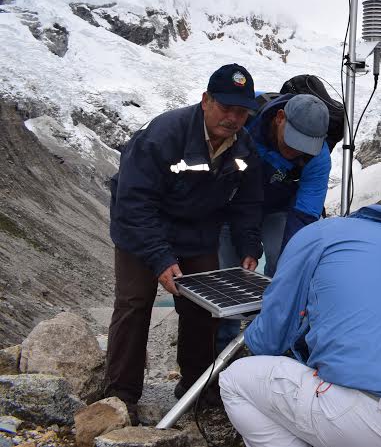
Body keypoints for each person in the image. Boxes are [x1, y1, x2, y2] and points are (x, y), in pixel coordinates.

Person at [219, 205, 381, 447]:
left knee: (234, 380)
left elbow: (268, 339)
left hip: (370, 419)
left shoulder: (320, 234)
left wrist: (255, 335)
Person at [103, 64, 263, 417]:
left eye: (241, 112)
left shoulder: (244, 147)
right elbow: (134, 203)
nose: (233, 118)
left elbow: (248, 203)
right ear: (206, 100)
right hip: (141, 228)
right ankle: (121, 395)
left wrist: (249, 245)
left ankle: (195, 387)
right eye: (226, 107)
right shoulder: (162, 136)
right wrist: (160, 258)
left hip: (196, 231)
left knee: (202, 307)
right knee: (134, 302)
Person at [215, 94, 331, 351]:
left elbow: (304, 215)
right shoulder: (245, 118)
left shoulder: (318, 158)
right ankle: (224, 346)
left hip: (280, 208)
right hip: (231, 206)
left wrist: (292, 258)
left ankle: (271, 334)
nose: (295, 151)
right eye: (293, 140)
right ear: (280, 118)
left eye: (304, 146)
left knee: (286, 262)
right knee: (228, 276)